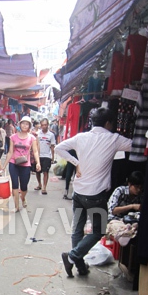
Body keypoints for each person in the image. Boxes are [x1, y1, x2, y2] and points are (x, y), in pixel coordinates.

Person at [55, 108, 132, 277]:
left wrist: (76, 163)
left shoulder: (81, 137)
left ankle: (80, 267)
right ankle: (73, 257)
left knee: (77, 229)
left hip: (79, 190)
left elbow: (59, 148)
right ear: (108, 123)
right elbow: (136, 145)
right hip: (96, 195)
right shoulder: (114, 139)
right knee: (99, 230)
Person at [3, 116, 41, 212]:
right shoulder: (13, 137)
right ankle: (16, 206)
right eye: (23, 123)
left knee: (24, 187)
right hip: (13, 163)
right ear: (20, 125)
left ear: (29, 126)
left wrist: (38, 163)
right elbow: (10, 152)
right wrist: (4, 166)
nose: (25, 125)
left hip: (25, 165)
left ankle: (23, 198)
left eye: (27, 124)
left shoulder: (32, 138)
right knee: (15, 185)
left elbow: (35, 151)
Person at [34, 118, 56, 195]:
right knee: (37, 171)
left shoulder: (51, 135)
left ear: (48, 125)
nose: (44, 126)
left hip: (47, 156)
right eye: (42, 125)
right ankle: (39, 184)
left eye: (45, 125)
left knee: (45, 172)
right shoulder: (37, 134)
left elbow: (52, 147)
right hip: (38, 155)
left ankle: (44, 187)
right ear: (40, 125)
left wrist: (53, 158)